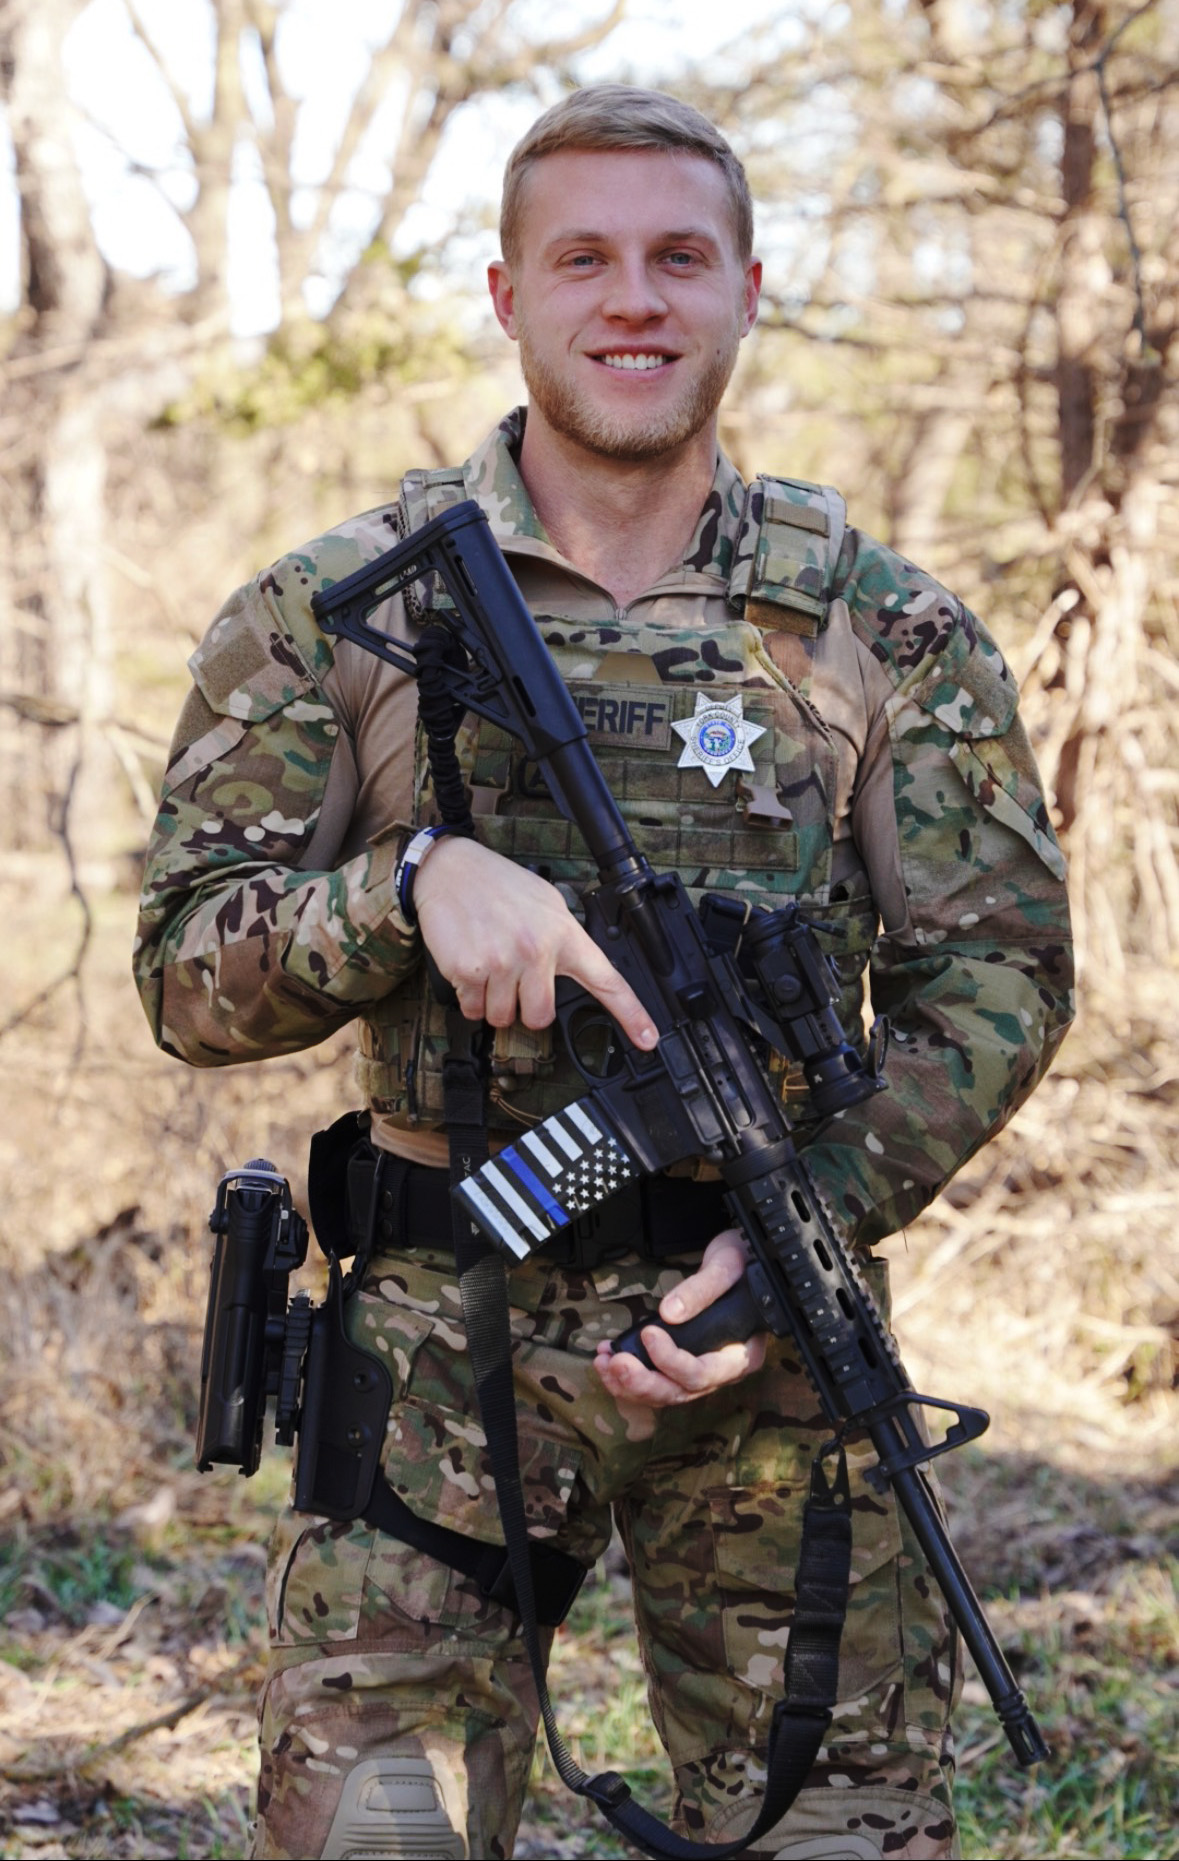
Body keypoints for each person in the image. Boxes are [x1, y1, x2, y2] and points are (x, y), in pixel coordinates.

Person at [134, 85, 1073, 1861]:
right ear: (505, 292)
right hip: (427, 1365)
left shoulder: (884, 624)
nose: (631, 298)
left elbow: (1001, 979)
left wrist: (799, 1218)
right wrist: (406, 888)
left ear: (745, 289)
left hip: (768, 1336)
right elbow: (186, 972)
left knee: (845, 1836)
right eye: (583, 257)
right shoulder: (343, 612)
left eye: (676, 257)